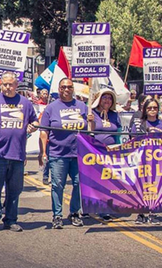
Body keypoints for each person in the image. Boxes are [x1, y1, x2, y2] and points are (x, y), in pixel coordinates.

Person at [0, 72, 39, 233]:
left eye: (10, 84)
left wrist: (33, 126)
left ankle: (11, 220)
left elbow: (35, 121)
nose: (7, 87)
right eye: (4, 84)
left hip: (17, 154)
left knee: (14, 191)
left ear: (16, 85)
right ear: (1, 85)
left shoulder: (25, 103)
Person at [39, 78, 91, 229]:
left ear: (73, 88)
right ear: (59, 89)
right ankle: (57, 215)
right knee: (58, 185)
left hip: (79, 154)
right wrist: (43, 152)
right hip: (58, 154)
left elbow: (90, 129)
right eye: (63, 87)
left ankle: (74, 212)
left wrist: (92, 120)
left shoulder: (82, 106)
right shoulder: (51, 108)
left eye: (69, 87)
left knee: (78, 184)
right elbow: (44, 132)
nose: (66, 89)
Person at [132, 98, 162, 225]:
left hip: (157, 162)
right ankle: (140, 214)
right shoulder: (139, 124)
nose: (152, 110)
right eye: (149, 108)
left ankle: (153, 213)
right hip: (141, 161)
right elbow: (132, 141)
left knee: (155, 187)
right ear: (145, 110)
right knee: (141, 186)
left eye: (155, 108)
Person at [89, 88, 121, 221]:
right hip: (95, 152)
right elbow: (87, 133)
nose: (107, 100)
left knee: (109, 182)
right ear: (98, 99)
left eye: (109, 97)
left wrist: (120, 149)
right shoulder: (92, 113)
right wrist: (89, 121)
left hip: (111, 152)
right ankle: (93, 208)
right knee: (96, 181)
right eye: (104, 97)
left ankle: (105, 208)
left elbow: (118, 134)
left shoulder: (115, 115)